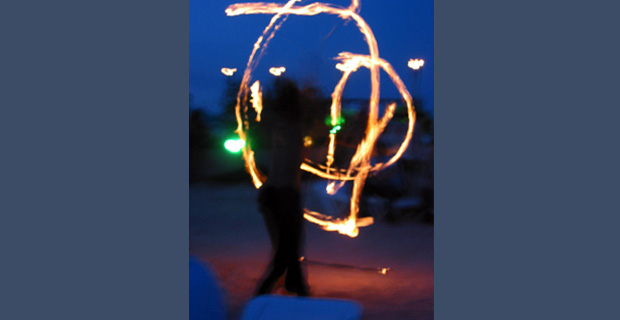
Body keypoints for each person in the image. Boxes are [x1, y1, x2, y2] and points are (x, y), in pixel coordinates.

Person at [255, 79, 310, 296]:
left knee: (289, 244)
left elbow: (278, 161)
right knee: (288, 248)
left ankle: (296, 284)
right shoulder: (295, 128)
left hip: (269, 192)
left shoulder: (278, 125)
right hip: (286, 194)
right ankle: (261, 293)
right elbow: (290, 163)